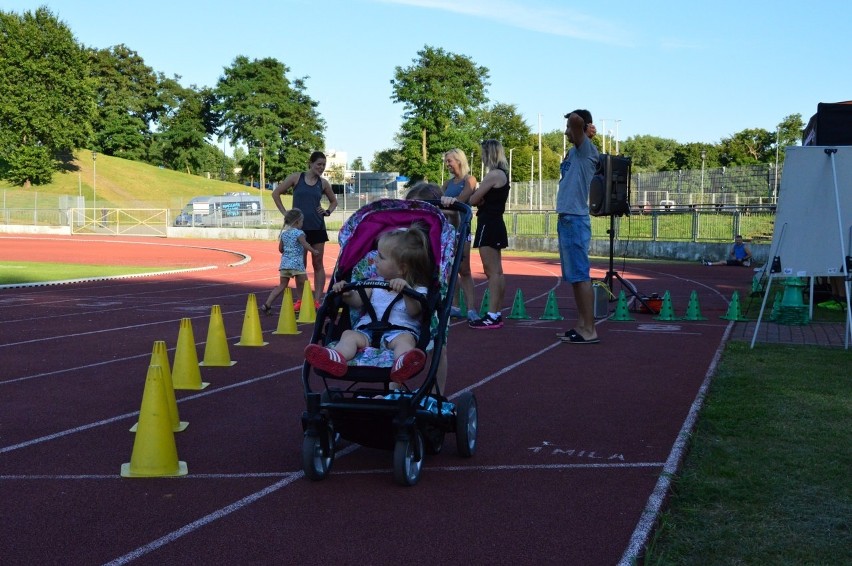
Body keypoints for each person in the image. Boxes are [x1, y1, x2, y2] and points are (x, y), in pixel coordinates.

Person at [304, 225, 431, 383]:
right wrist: (347, 293)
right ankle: (336, 357)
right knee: (348, 335)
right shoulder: (373, 283)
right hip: (367, 331)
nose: (374, 260)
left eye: (381, 257)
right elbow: (358, 302)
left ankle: (402, 364)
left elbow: (415, 312)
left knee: (407, 341)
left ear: (402, 268)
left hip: (399, 332)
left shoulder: (418, 289)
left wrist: (406, 290)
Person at [556, 109, 601, 344]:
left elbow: (575, 120)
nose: (566, 133)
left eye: (569, 129)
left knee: (581, 276)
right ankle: (581, 325)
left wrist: (583, 124)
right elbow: (575, 125)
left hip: (575, 219)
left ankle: (590, 329)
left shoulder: (586, 151)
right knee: (574, 277)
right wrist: (584, 130)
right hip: (567, 219)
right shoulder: (575, 152)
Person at [271, 151, 338, 307]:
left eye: (323, 165)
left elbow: (334, 202)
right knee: (299, 265)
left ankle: (317, 300)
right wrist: (285, 213)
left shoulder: (323, 183)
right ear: (310, 163)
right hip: (298, 230)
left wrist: (327, 211)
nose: (321, 168)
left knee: (318, 262)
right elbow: (276, 193)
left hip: (317, 227)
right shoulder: (296, 177)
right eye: (319, 164)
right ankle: (301, 299)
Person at [465, 139, 510, 329]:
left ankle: (492, 315)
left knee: (491, 272)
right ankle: (496, 312)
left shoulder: (493, 175)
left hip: (488, 223)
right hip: (496, 222)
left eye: (484, 154)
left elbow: (473, 199)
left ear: (490, 154)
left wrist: (478, 199)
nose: (482, 158)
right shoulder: (503, 174)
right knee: (498, 272)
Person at [442, 149, 479, 321]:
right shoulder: (447, 183)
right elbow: (440, 203)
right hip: (447, 231)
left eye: (449, 161)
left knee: (464, 270)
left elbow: (462, 200)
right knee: (449, 270)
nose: (447, 164)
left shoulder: (469, 180)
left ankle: (471, 308)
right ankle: (455, 306)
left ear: (459, 160)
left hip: (462, 230)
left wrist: (448, 204)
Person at [260, 208, 319, 315]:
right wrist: (313, 251)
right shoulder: (299, 233)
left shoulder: (284, 234)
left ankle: (267, 304)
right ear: (297, 222)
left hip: (285, 264)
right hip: (297, 264)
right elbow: (305, 244)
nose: (302, 224)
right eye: (301, 221)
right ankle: (310, 306)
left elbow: (280, 249)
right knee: (305, 285)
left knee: (282, 285)